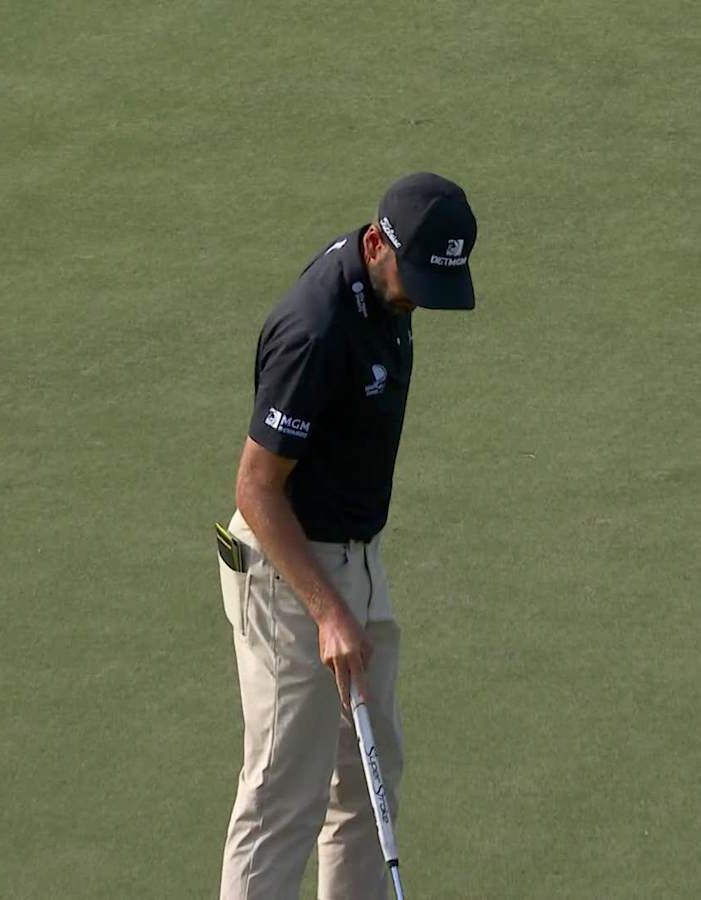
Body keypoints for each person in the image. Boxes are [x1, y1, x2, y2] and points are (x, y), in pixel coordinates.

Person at [215, 172, 479, 899]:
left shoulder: (390, 286)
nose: (420, 297)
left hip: (357, 558)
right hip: (287, 572)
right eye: (416, 279)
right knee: (281, 801)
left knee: (368, 781)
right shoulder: (316, 329)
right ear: (374, 244)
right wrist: (328, 611)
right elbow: (256, 489)